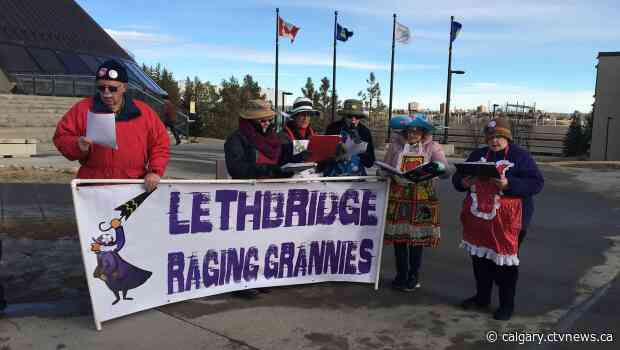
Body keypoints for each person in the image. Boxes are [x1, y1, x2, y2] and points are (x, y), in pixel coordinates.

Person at [452, 117, 544, 321]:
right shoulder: (478, 154)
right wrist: (464, 181)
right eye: (491, 137)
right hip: (479, 219)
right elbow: (457, 179)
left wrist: (508, 184)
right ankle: (482, 298)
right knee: (480, 261)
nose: (495, 141)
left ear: (507, 137)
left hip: (511, 222)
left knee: (504, 266)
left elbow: (536, 183)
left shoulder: (521, 156)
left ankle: (506, 304)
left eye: (499, 137)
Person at [53, 59, 169, 192]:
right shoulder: (82, 109)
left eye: (112, 88)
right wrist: (77, 144)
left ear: (124, 87)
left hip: (133, 186)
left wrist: (155, 171)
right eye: (101, 88)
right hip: (93, 185)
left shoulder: (144, 112)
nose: (106, 93)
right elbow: (61, 136)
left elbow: (160, 143)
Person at [224, 99, 291, 298]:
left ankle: (260, 276)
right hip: (245, 196)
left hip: (270, 195)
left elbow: (281, 161)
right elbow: (236, 168)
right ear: (250, 121)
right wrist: (266, 169)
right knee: (244, 240)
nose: (266, 124)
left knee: (265, 239)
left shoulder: (274, 139)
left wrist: (291, 166)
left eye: (268, 120)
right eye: (261, 121)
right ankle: (240, 281)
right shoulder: (236, 139)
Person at [380, 114, 452, 292]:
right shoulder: (395, 146)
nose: (412, 134)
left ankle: (413, 275)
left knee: (417, 240)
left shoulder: (433, 147)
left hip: (422, 197)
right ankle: (401, 274)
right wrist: (387, 172)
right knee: (400, 239)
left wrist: (437, 169)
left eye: (416, 130)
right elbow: (385, 168)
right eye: (409, 130)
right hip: (399, 196)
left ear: (423, 131)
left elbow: (445, 170)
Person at [322, 99, 375, 176]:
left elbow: (370, 161)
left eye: (357, 117)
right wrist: (335, 156)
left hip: (356, 176)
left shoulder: (365, 132)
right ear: (344, 116)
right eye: (350, 116)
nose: (353, 120)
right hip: (333, 174)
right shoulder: (332, 128)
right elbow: (323, 154)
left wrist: (357, 156)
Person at [279, 97, 319, 164]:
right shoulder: (283, 135)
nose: (305, 118)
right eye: (302, 114)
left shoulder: (314, 134)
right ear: (294, 116)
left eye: (308, 115)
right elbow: (284, 156)